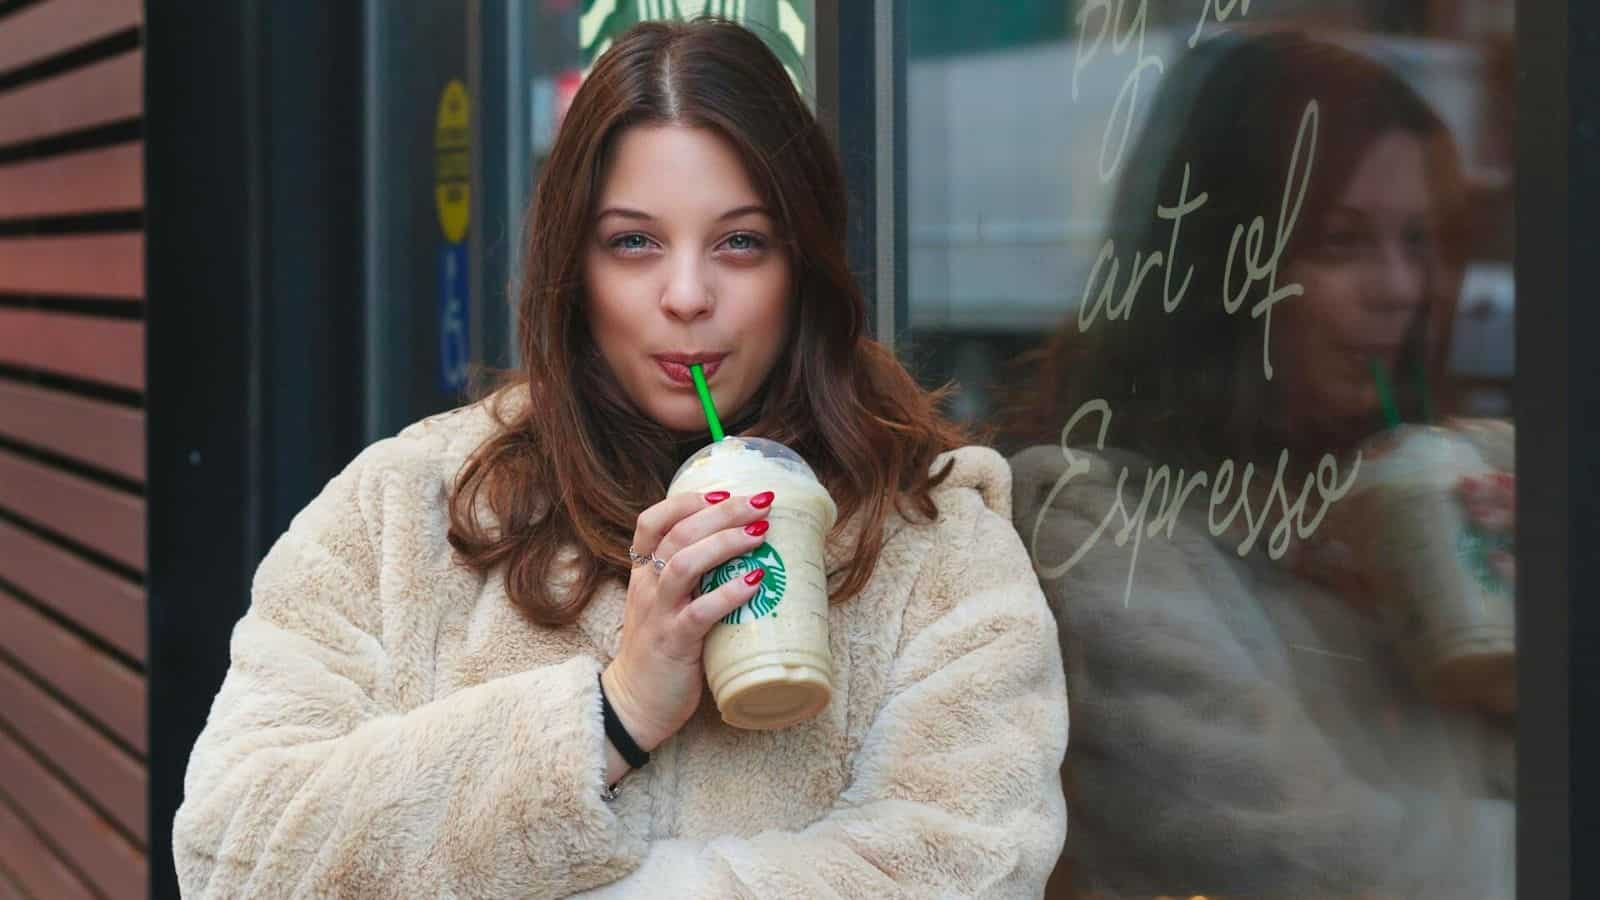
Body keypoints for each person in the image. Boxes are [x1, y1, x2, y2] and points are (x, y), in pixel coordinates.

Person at [172, 18, 1068, 899]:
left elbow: (965, 863)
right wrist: (615, 715)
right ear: (575, 263)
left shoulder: (934, 539)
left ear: (805, 266)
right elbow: (230, 854)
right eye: (633, 242)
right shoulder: (406, 506)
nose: (687, 295)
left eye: (740, 242)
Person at [1003, 31, 1514, 899]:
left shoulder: (1460, 479)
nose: (1400, 287)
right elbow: (1304, 859)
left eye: (1420, 241)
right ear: (1228, 266)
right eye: (1343, 243)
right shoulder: (1098, 518)